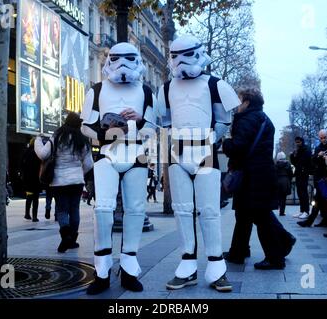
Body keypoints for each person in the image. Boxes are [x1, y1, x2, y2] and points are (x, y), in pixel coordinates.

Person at [157, 35, 239, 292]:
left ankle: (216, 265)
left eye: (186, 54)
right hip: (177, 150)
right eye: (175, 55)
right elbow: (166, 121)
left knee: (209, 210)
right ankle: (188, 263)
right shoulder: (166, 88)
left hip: (205, 149)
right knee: (182, 210)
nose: (180, 61)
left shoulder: (215, 85)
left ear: (198, 53)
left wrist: (212, 138)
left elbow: (223, 119)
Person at [80, 42, 156, 295]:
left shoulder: (146, 91)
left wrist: (137, 121)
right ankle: (101, 271)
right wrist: (107, 129)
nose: (122, 64)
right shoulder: (97, 90)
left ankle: (129, 270)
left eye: (129, 59)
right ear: (108, 60)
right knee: (103, 209)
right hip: (107, 154)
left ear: (137, 61)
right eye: (116, 59)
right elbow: (85, 127)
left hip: (137, 154)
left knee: (136, 210)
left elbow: (152, 129)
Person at [222, 87, 296, 270]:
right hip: (259, 174)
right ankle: (238, 252)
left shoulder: (247, 119)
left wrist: (225, 142)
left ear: (246, 102)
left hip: (252, 176)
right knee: (245, 214)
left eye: (239, 100)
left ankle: (276, 257)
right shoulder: (263, 118)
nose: (236, 105)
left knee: (260, 217)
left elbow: (238, 147)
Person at [34, 112, 93, 253]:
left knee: (62, 210)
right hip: (77, 181)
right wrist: (80, 173)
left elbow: (43, 154)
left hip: (59, 181)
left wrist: (37, 140)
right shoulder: (82, 139)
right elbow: (89, 163)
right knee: (74, 210)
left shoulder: (57, 136)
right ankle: (72, 240)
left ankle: (65, 235)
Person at [298, 130, 327, 227]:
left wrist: (323, 156)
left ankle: (309, 221)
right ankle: (325, 220)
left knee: (318, 199)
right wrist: (318, 156)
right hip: (319, 177)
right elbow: (313, 161)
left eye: (325, 137)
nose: (323, 139)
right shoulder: (318, 148)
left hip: (326, 177)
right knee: (321, 200)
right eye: (321, 138)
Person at [290, 136, 312, 219]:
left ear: (302, 142)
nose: (297, 144)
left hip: (304, 173)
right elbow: (295, 163)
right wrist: (293, 156)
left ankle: (306, 211)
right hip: (299, 173)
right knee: (300, 192)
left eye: (298, 142)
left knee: (303, 193)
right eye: (296, 142)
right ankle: (302, 211)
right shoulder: (298, 150)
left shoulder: (306, 149)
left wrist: (296, 155)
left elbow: (304, 161)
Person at [21, 137, 42, 222]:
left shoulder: (26, 152)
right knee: (36, 198)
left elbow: (21, 164)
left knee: (29, 196)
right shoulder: (37, 153)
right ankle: (34, 216)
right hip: (36, 178)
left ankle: (27, 213)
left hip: (28, 179)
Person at [275, 152, 293, 216]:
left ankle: (277, 207)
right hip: (285, 181)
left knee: (278, 196)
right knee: (283, 198)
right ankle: (282, 212)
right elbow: (291, 174)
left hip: (277, 181)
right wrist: (289, 180)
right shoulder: (287, 164)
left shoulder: (276, 164)